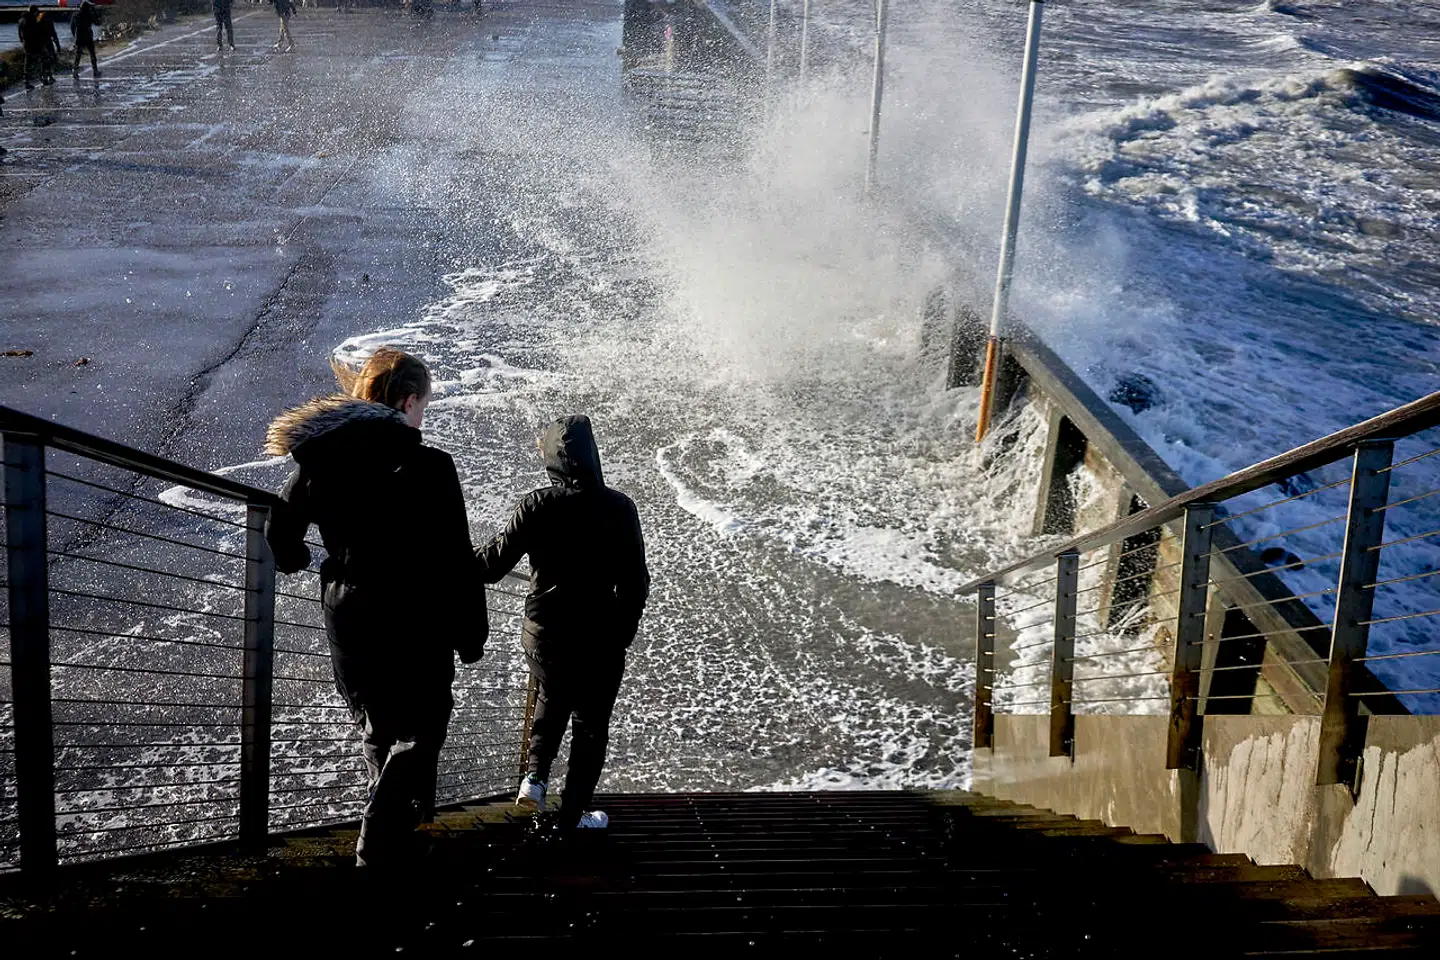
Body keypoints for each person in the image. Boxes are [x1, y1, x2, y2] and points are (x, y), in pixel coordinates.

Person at [264, 347, 486, 867]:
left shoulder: (321, 457)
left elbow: (283, 527)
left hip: (349, 611)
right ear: (409, 401)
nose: (423, 415)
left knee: (378, 725)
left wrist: (296, 557)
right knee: (425, 724)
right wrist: (472, 632)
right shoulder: (431, 466)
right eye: (424, 405)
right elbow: (457, 558)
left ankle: (396, 838)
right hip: (416, 614)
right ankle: (379, 834)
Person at [475, 415, 649, 833]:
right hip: (599, 639)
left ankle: (534, 779)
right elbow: (635, 583)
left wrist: (448, 551)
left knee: (552, 694)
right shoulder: (620, 508)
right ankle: (571, 817)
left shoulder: (537, 505)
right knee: (591, 726)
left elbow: (492, 565)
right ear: (594, 457)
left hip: (544, 635)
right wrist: (620, 635)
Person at [71, 1, 101, 78]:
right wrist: (94, 11)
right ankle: (95, 71)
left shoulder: (75, 15)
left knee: (78, 55)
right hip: (88, 36)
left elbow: (72, 27)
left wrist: (74, 36)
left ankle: (75, 71)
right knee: (92, 54)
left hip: (79, 36)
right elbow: (97, 22)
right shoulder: (89, 15)